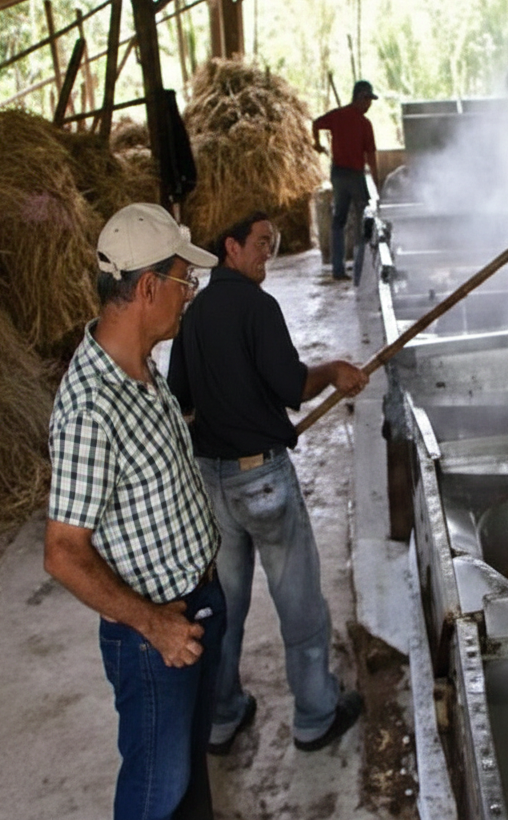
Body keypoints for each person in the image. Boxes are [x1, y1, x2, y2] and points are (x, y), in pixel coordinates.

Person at [43, 202, 224, 820]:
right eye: (184, 282)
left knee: (188, 773)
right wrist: (152, 624)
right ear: (148, 287)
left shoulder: (142, 367)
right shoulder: (91, 408)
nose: (189, 295)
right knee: (155, 789)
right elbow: (63, 552)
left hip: (196, 602)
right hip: (156, 635)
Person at [167, 211, 369, 755]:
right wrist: (333, 370)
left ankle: (222, 716)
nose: (267, 255)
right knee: (298, 598)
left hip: (211, 481)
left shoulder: (193, 311)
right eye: (259, 243)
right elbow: (291, 388)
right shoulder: (259, 307)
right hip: (262, 480)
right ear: (230, 247)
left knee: (224, 604)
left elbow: (181, 398)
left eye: (273, 246)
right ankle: (315, 715)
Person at [313, 79, 379, 285]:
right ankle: (360, 271)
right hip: (355, 176)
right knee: (362, 222)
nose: (369, 104)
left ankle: (338, 269)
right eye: (368, 100)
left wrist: (317, 144)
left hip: (338, 175)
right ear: (360, 97)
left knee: (338, 222)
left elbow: (316, 123)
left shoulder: (338, 116)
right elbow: (371, 157)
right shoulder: (364, 124)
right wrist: (376, 183)